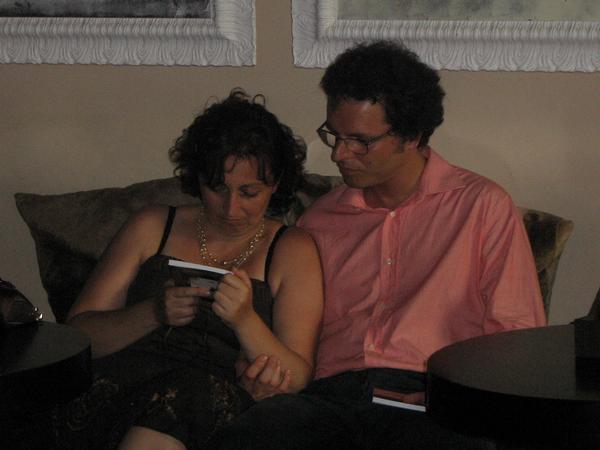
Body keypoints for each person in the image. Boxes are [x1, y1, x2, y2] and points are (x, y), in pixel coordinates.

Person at [211, 41, 546, 449]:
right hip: (330, 399)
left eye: (360, 141)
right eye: (334, 135)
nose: (339, 154)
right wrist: (261, 375)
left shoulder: (480, 207)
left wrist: (459, 399)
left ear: (411, 136)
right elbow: (291, 336)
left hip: (432, 401)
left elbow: (517, 339)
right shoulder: (319, 221)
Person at [52, 89, 323, 450]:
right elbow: (79, 337)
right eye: (216, 188)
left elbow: (298, 375)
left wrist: (245, 320)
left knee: (191, 394)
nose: (231, 208)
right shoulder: (152, 225)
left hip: (212, 403)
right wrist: (153, 312)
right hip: (121, 390)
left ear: (274, 185)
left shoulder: (292, 248)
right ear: (197, 178)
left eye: (249, 192)